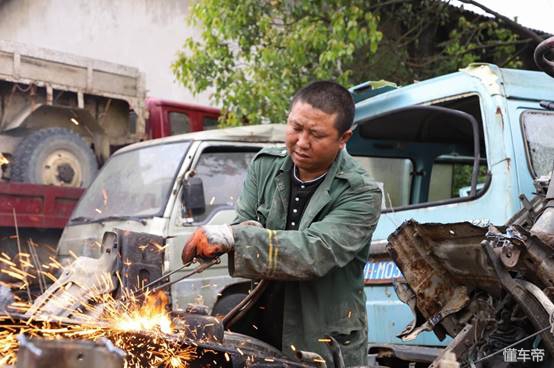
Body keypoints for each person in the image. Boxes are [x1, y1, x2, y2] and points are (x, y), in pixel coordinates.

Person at [181, 80, 382, 366]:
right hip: (261, 323)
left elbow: (315, 252)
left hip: (320, 339)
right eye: (296, 128)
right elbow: (245, 223)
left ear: (343, 138)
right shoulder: (265, 166)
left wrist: (234, 238)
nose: (301, 142)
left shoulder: (360, 192)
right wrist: (230, 235)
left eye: (316, 134)